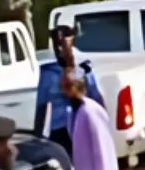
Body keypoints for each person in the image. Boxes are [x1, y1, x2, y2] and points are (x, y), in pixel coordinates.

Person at [38, 23, 104, 157]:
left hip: (83, 125)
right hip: (58, 131)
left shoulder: (84, 70)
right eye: (58, 45)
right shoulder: (47, 73)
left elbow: (96, 100)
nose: (61, 49)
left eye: (64, 44)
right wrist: (39, 136)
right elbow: (41, 106)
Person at [66, 74, 120, 170]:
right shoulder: (74, 111)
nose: (64, 91)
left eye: (68, 87)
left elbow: (100, 146)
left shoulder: (90, 111)